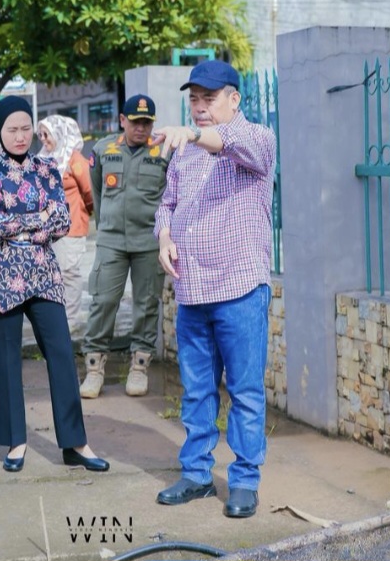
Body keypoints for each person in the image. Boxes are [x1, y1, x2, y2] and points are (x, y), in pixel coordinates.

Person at [152, 60, 276, 520]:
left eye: (208, 98)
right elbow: (166, 204)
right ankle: (197, 474)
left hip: (239, 288)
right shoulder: (184, 153)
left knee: (245, 391)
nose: (200, 107)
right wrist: (164, 237)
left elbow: (233, 145)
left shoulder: (257, 138)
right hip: (192, 290)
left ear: (233, 98)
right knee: (197, 391)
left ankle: (244, 481)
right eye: (194, 99)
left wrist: (193, 133)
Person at [0, 96, 109, 474]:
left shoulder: (47, 168)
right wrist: (37, 219)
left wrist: (22, 224)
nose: (20, 136)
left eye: (25, 129)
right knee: (7, 359)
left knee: (61, 352)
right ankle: (16, 441)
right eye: (12, 129)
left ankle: (76, 442)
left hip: (43, 275)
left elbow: (62, 221)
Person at [79, 95, 168, 398]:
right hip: (112, 241)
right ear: (122, 121)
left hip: (148, 241)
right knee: (103, 301)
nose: (141, 128)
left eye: (146, 122)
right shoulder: (104, 150)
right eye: (135, 122)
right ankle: (94, 368)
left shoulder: (163, 152)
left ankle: (139, 366)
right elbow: (97, 193)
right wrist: (107, 224)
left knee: (147, 303)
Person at [37, 115, 93, 332]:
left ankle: (71, 320)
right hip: (48, 229)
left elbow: (90, 192)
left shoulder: (74, 159)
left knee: (69, 273)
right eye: (41, 135)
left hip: (71, 227)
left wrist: (82, 213)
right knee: (52, 274)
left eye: (47, 134)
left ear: (60, 133)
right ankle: (57, 318)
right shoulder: (43, 158)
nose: (43, 139)